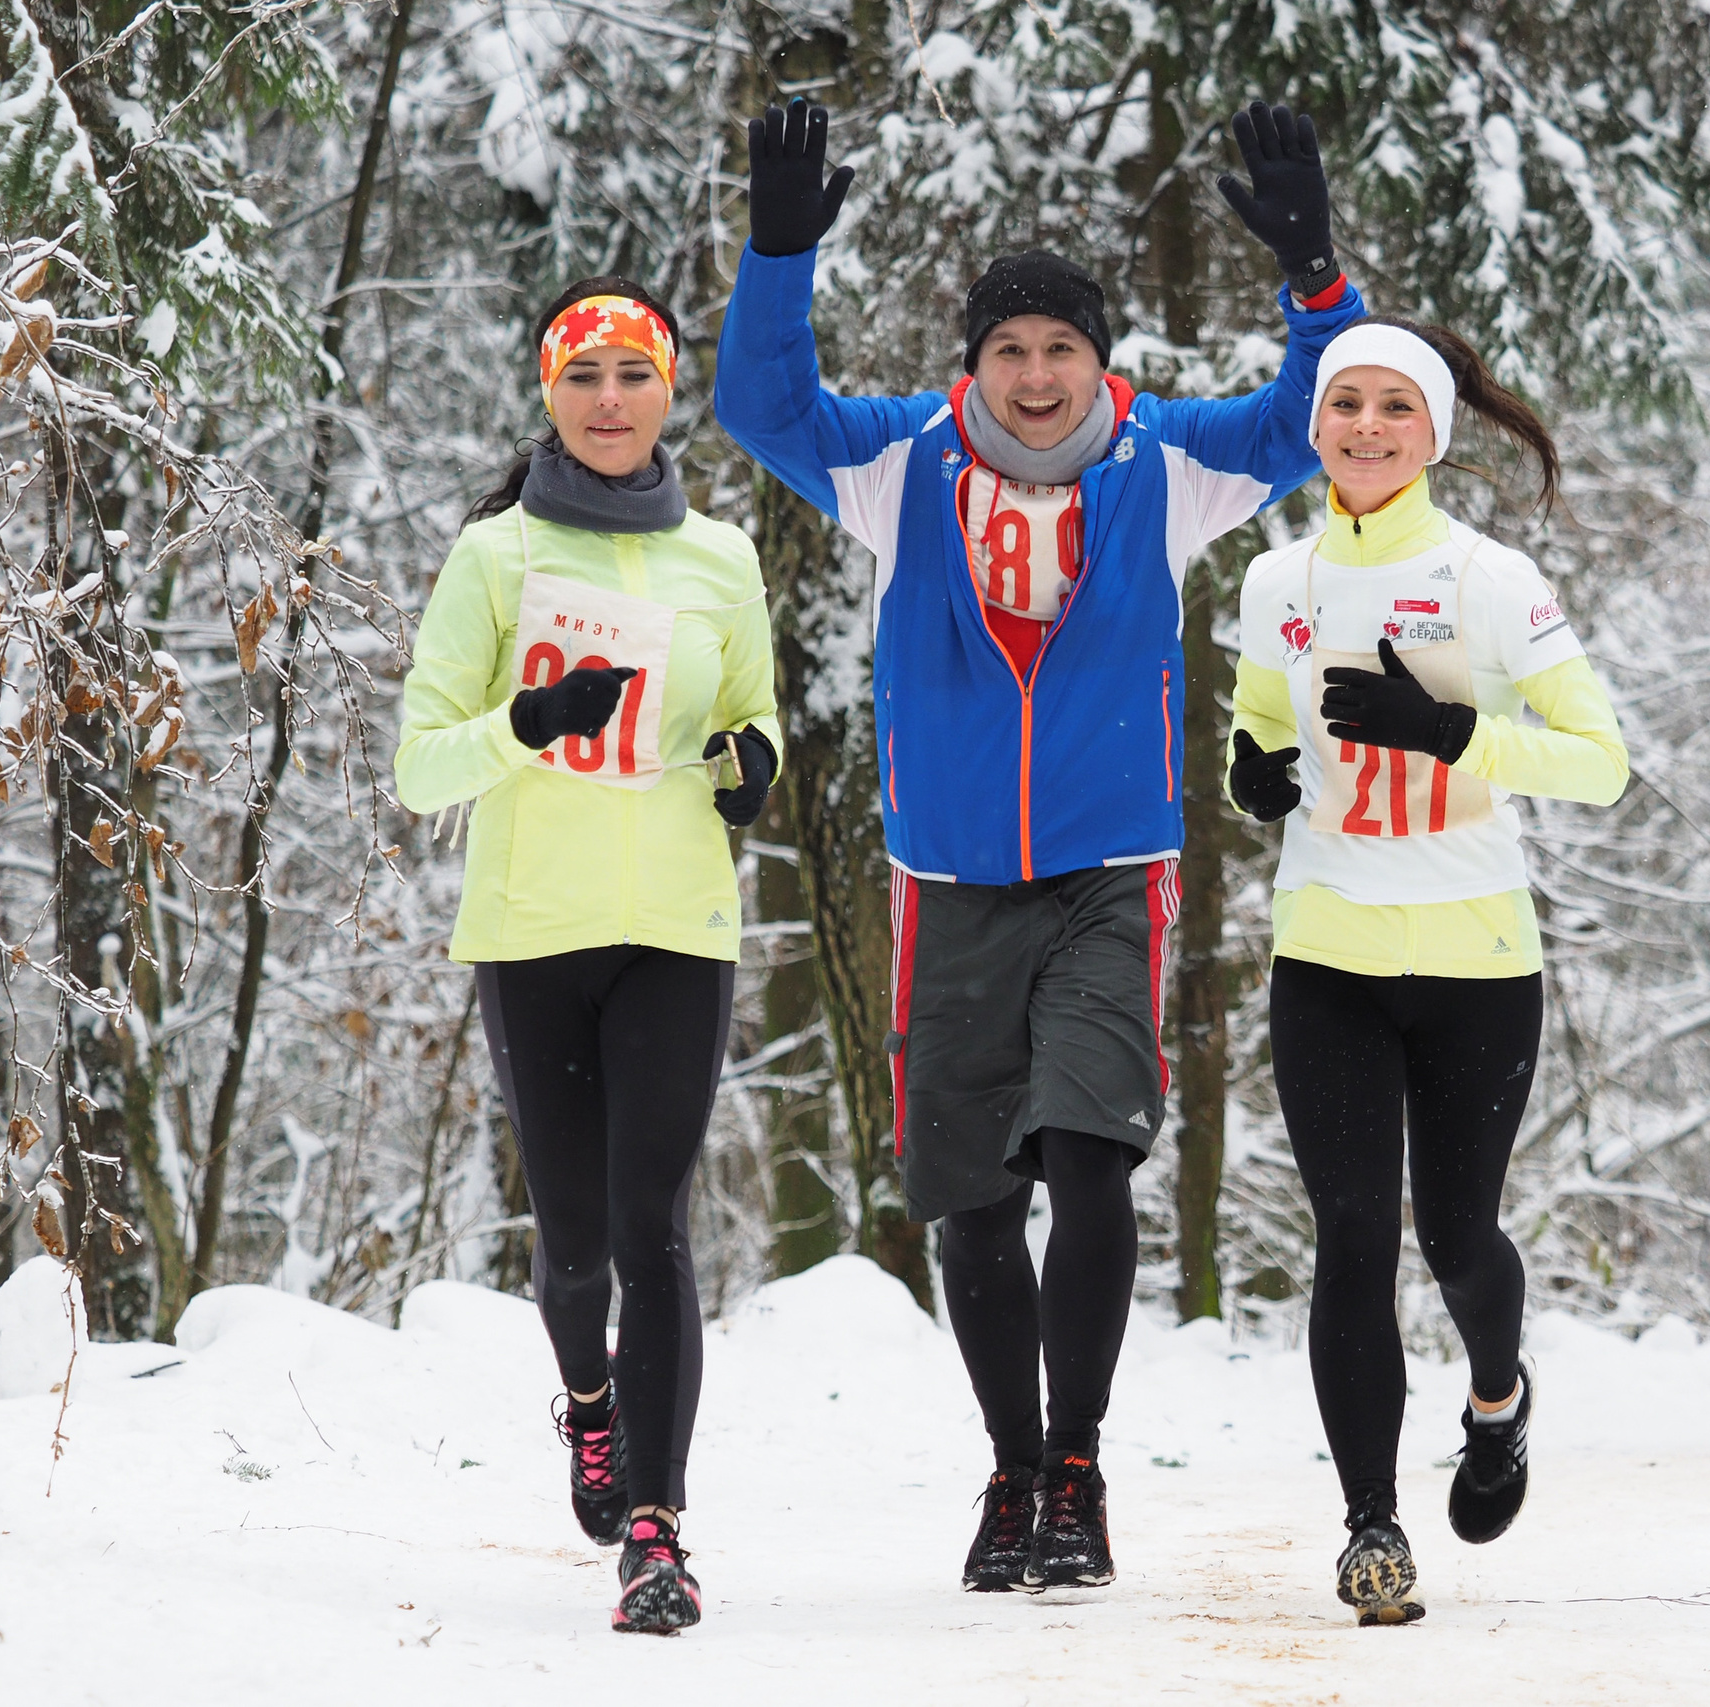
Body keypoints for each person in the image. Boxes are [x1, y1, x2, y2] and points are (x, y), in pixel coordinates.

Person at [716, 97, 1364, 1592]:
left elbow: (1307, 416)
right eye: (1009, 349)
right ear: (974, 364)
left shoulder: (1167, 466)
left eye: (1060, 348)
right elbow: (765, 409)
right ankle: (1011, 1468)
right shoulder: (904, 466)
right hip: (947, 880)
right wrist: (777, 256)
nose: (1035, 373)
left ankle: (1079, 1461)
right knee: (972, 1197)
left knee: (1089, 1157)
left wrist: (1317, 273)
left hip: (1106, 872)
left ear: (1100, 360)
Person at [395, 279, 782, 1635]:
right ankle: (590, 1400)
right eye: (585, 376)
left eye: (634, 373)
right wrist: (528, 719)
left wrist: (755, 768)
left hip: (678, 925)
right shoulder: (495, 556)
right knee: (572, 1250)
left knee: (650, 1226)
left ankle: (659, 1531)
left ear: (667, 388)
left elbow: (751, 714)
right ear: (548, 394)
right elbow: (419, 757)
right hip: (535, 930)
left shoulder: (723, 559)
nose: (610, 399)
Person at [1227, 318, 1628, 1625]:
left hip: (1475, 958)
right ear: (1318, 423)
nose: (1366, 426)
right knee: (1352, 1237)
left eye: (1397, 406)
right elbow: (1265, 716)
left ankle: (1498, 1395)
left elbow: (1599, 759)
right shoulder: (1273, 579)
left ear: (1436, 431)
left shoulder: (1490, 576)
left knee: (1456, 1233)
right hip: (1327, 950)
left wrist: (1456, 730)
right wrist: (1254, 768)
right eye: (1347, 402)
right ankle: (1372, 1525)